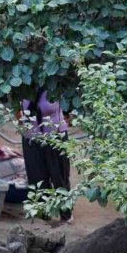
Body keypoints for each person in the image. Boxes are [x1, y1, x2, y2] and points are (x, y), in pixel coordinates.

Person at [21, 90, 73, 223]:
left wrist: (68, 116)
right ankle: (42, 215)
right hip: (31, 138)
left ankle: (65, 215)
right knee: (36, 178)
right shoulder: (21, 86)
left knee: (59, 177)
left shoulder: (54, 83)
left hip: (55, 137)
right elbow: (17, 110)